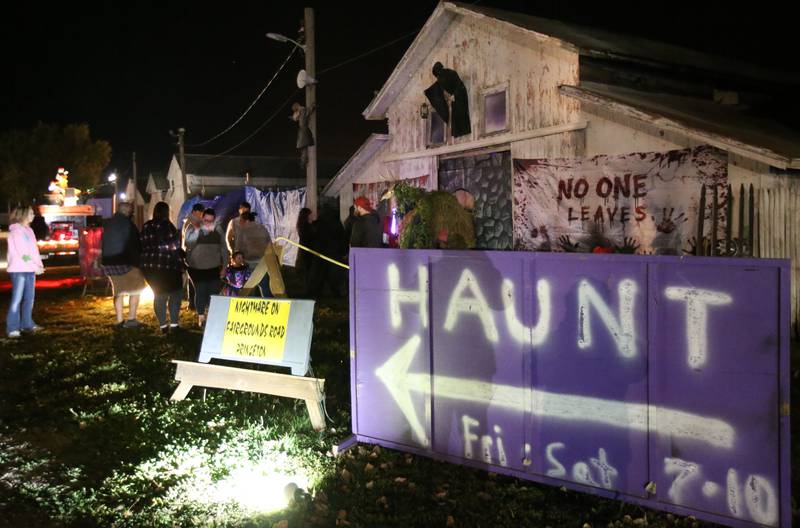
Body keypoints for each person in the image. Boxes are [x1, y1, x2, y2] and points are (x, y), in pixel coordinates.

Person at [140, 202, 183, 334]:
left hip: (149, 267)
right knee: (175, 294)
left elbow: (141, 243)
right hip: (167, 266)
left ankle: (163, 326)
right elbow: (173, 246)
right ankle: (174, 324)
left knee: (159, 295)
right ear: (166, 212)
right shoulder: (167, 226)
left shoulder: (146, 225)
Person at [101, 202, 145, 328]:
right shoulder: (128, 225)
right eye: (131, 212)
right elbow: (135, 245)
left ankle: (119, 320)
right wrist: (138, 264)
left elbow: (103, 243)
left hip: (109, 263)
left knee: (118, 292)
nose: (132, 214)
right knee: (136, 290)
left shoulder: (108, 224)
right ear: (127, 212)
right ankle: (131, 319)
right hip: (126, 263)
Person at [183, 208, 228, 327]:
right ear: (202, 218)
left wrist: (225, 266)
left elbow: (223, 248)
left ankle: (212, 316)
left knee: (213, 292)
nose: (208, 223)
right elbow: (188, 244)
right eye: (206, 220)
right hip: (196, 267)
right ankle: (201, 317)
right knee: (201, 290)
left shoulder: (217, 229)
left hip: (213, 266)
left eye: (211, 221)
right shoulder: (191, 228)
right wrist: (198, 230)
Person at [5, 205, 44, 338]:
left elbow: (33, 251)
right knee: (17, 299)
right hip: (19, 270)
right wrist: (35, 266)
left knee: (29, 298)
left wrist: (39, 264)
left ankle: (27, 323)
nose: (33, 215)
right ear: (23, 215)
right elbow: (23, 254)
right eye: (31, 213)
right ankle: (12, 328)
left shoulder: (29, 230)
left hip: (29, 269)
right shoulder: (16, 232)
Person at [235, 212, 271, 296]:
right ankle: (267, 306)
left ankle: (252, 308)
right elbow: (269, 244)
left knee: (250, 289)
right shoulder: (262, 228)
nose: (240, 222)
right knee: (265, 288)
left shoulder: (242, 230)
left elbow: (238, 248)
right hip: (262, 263)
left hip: (249, 264)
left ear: (245, 220)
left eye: (241, 220)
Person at [182, 203, 205, 311]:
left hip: (193, 254)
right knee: (194, 280)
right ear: (197, 212)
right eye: (201, 213)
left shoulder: (190, 221)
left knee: (192, 280)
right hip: (193, 254)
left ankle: (192, 303)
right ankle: (193, 303)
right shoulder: (191, 222)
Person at [295, 207, 316, 295]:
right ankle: (308, 291)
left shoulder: (302, 225)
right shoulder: (306, 227)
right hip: (307, 252)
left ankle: (307, 290)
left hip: (305, 252)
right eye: (310, 215)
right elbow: (310, 238)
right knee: (307, 272)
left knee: (307, 272)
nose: (312, 216)